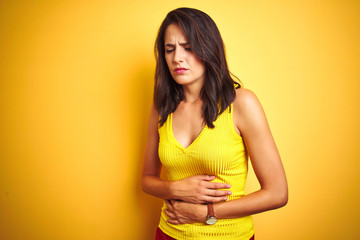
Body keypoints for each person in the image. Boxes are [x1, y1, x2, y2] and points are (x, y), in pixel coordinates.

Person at [141, 7, 288, 240]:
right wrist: (173, 188)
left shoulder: (241, 103)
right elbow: (147, 180)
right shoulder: (162, 106)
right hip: (168, 233)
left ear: (208, 48)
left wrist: (205, 212)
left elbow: (277, 193)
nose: (177, 58)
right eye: (170, 49)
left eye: (188, 48)